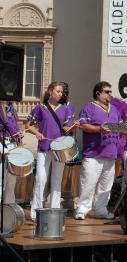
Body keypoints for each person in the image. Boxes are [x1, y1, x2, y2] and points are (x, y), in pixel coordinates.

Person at [25, 81, 78, 220]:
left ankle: (54, 210)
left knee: (57, 180)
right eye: (58, 91)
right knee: (41, 179)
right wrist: (36, 133)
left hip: (59, 149)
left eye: (62, 92)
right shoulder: (40, 108)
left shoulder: (65, 109)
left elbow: (66, 128)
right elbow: (28, 125)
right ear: (50, 91)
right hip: (44, 147)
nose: (60, 94)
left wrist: (73, 127)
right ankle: (35, 211)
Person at [74, 81, 121, 220]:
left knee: (105, 186)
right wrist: (98, 129)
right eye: (107, 91)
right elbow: (82, 125)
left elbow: (117, 126)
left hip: (110, 154)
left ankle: (101, 210)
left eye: (110, 91)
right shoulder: (88, 108)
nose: (110, 94)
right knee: (88, 183)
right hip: (93, 154)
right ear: (98, 93)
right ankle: (82, 209)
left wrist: (126, 128)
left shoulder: (114, 110)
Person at [0, 101, 23, 203]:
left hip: (12, 145)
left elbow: (15, 126)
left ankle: (9, 206)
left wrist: (19, 134)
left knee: (11, 179)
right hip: (2, 144)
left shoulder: (11, 108)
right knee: (0, 178)